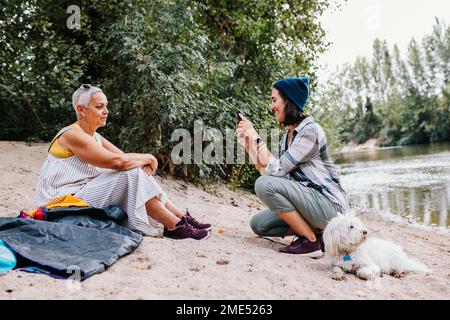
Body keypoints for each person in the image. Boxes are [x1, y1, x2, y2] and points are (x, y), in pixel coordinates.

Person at [36, 84, 211, 240]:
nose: (106, 111)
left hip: (83, 190)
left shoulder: (94, 136)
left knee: (135, 171)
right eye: (99, 107)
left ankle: (181, 218)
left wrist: (141, 162)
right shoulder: (72, 135)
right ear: (81, 110)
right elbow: (119, 162)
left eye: (106, 106)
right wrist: (150, 158)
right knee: (131, 172)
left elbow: (124, 157)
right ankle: (173, 225)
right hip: (61, 200)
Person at [237, 77, 349, 257]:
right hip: (310, 203)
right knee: (259, 225)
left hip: (332, 207)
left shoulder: (310, 131)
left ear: (288, 101)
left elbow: (277, 170)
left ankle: (310, 241)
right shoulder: (287, 136)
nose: (271, 106)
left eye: (274, 100)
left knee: (262, 184)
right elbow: (273, 175)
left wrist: (255, 135)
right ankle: (317, 234)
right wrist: (250, 147)